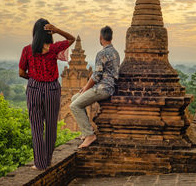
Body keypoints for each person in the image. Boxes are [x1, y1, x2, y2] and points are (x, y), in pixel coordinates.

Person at [19, 18, 75, 170]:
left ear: (35, 33)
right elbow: (71, 39)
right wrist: (57, 30)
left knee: (36, 127)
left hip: (34, 89)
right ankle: (48, 160)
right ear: (48, 33)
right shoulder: (54, 48)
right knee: (51, 126)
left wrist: (33, 79)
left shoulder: (27, 50)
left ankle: (40, 164)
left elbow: (21, 72)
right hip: (51, 89)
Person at [70, 26, 120, 148]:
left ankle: (89, 135)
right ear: (111, 37)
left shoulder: (102, 53)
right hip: (109, 87)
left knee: (74, 105)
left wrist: (85, 88)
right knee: (74, 98)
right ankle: (86, 130)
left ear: (101, 38)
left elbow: (96, 76)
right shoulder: (116, 53)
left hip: (102, 89)